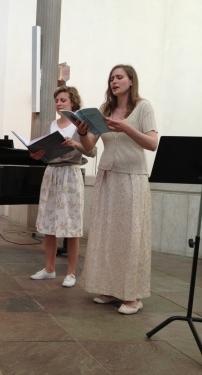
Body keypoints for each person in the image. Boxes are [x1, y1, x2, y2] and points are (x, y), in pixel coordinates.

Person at [78, 64, 158, 314]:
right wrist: (82, 134)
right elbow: (90, 147)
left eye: (119, 77)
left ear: (131, 80)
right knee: (107, 235)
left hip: (131, 178)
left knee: (131, 236)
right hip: (107, 176)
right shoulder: (105, 110)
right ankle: (111, 289)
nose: (114, 81)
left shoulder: (143, 107)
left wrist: (126, 128)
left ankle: (133, 296)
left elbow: (153, 143)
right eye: (111, 78)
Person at [29, 86, 96, 288]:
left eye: (63, 100)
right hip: (52, 172)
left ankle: (71, 273)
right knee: (49, 223)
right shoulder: (51, 125)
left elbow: (91, 152)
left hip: (70, 173)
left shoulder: (80, 126)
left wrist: (75, 144)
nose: (59, 103)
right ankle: (49, 269)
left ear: (73, 103)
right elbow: (43, 152)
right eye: (57, 100)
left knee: (71, 225)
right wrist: (37, 155)